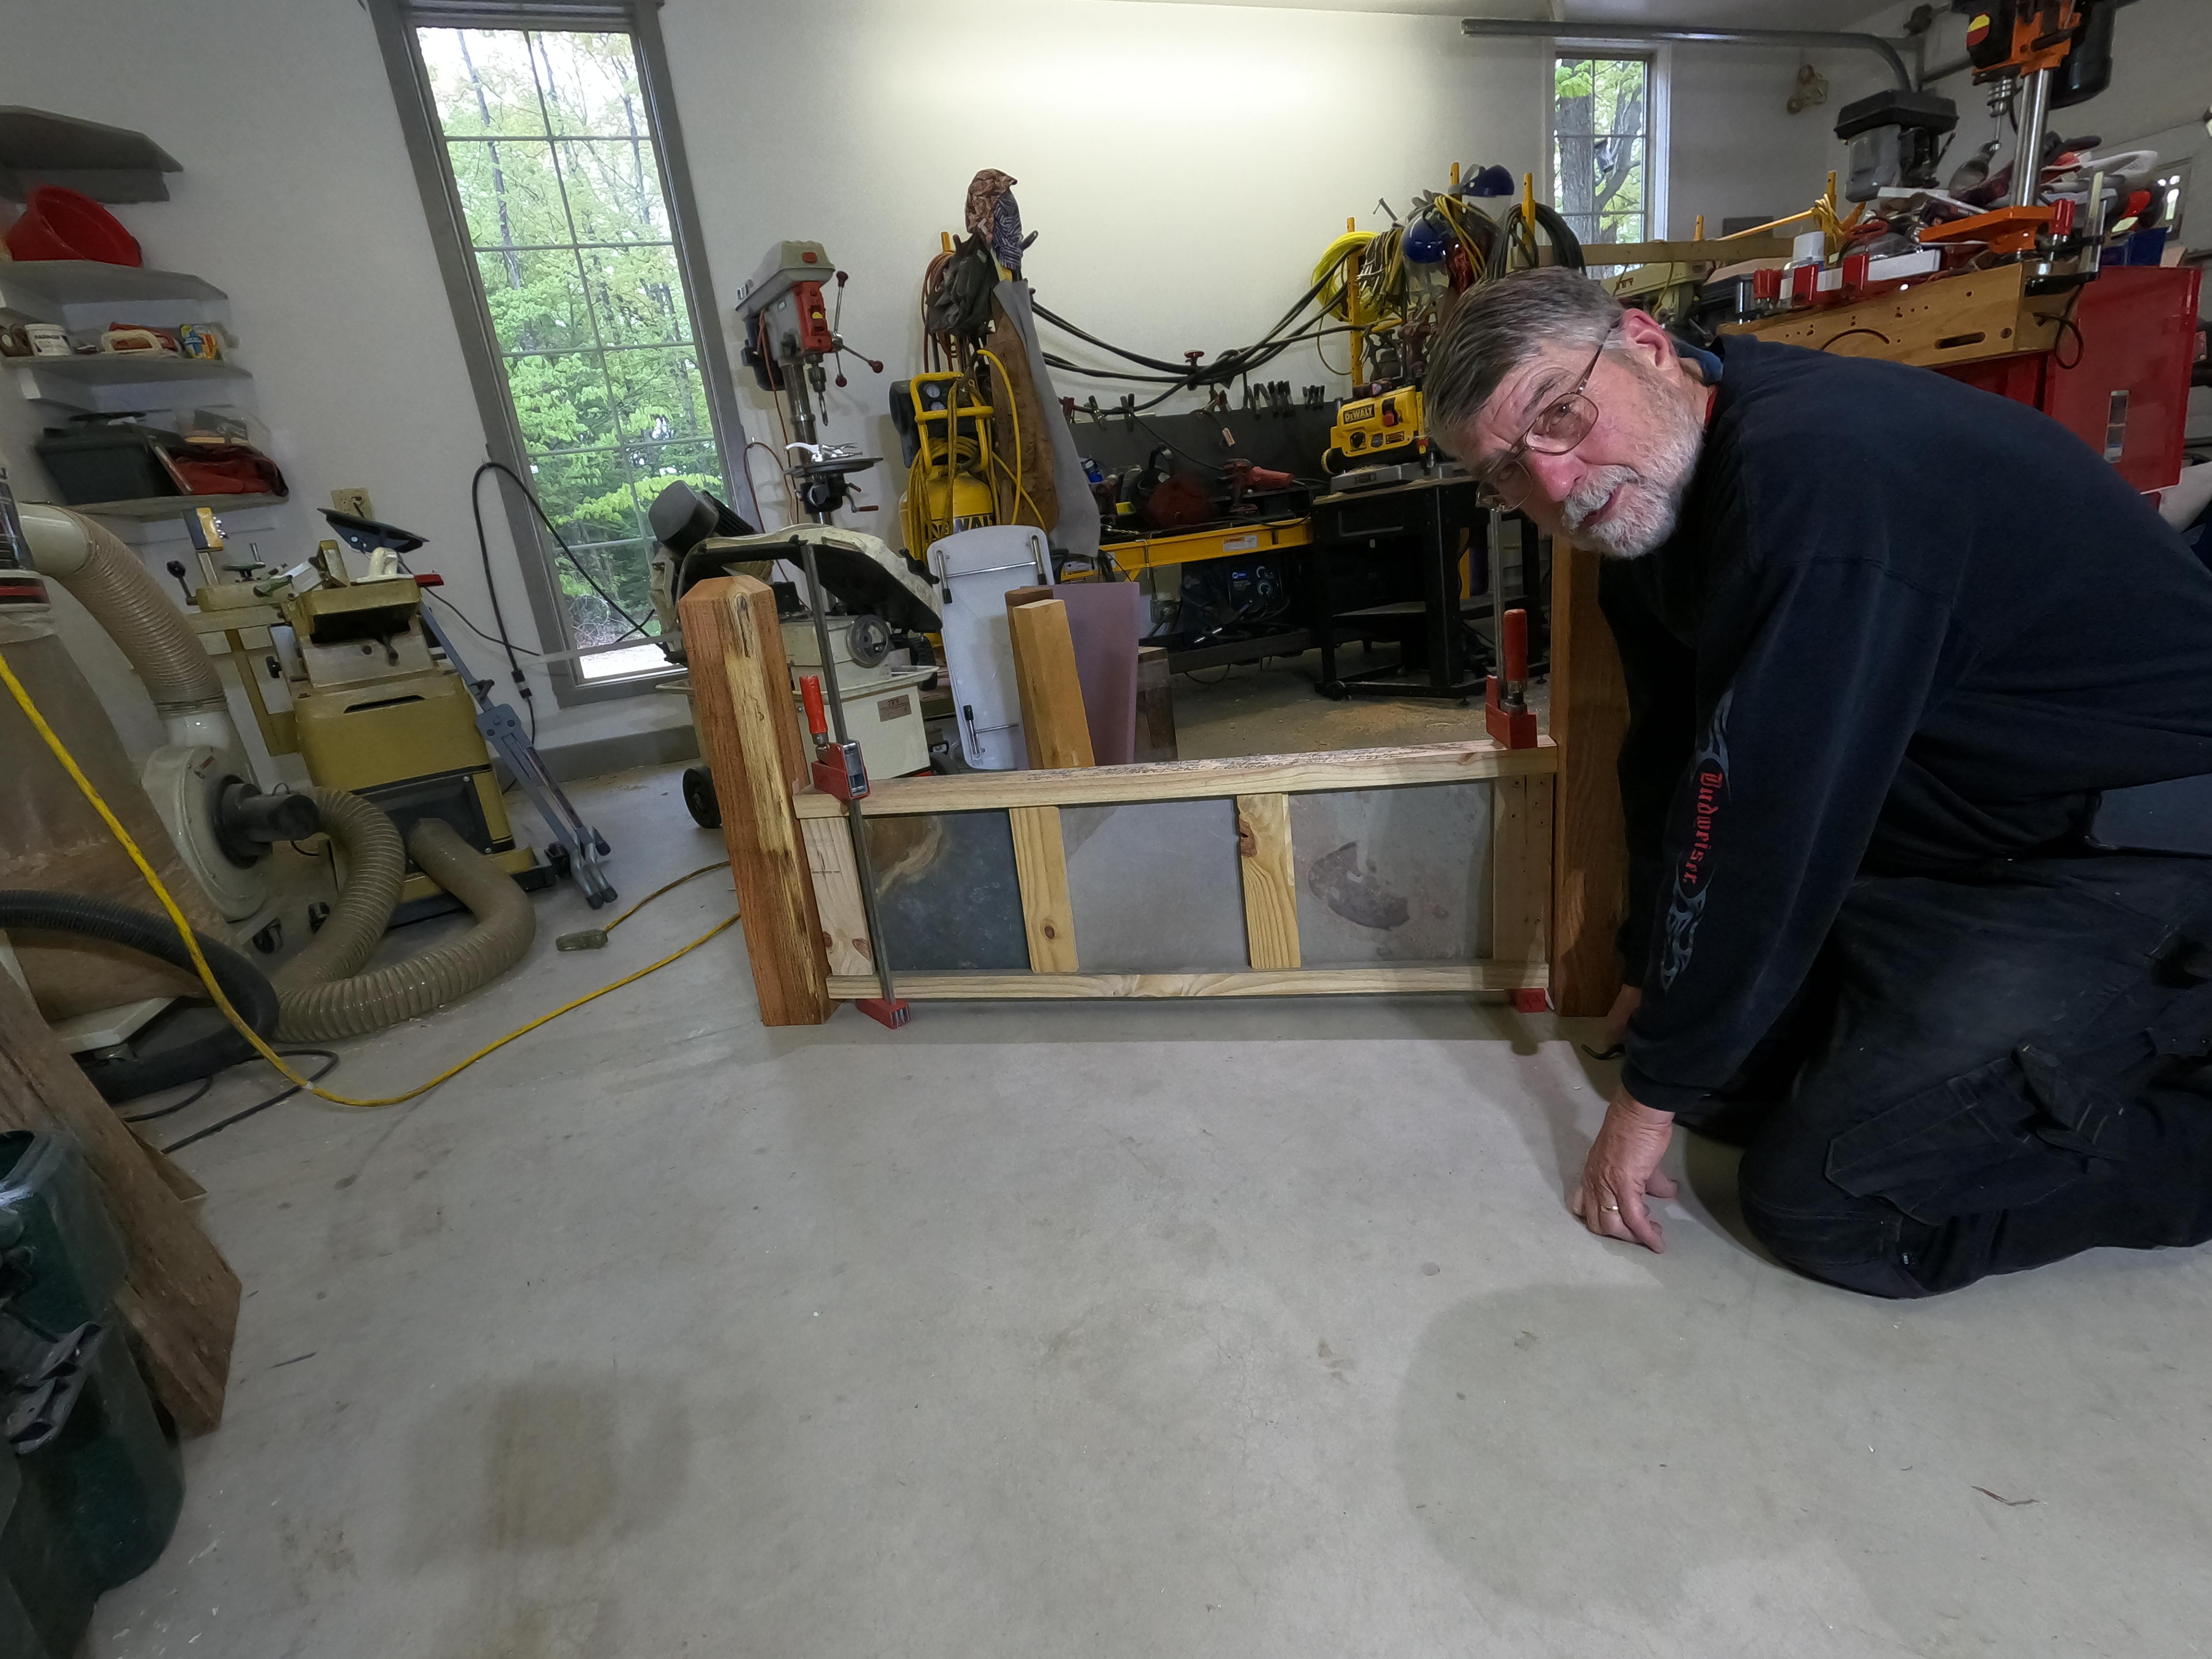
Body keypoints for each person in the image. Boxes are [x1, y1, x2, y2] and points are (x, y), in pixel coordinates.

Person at [1420, 267, 2212, 1298]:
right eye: (1507, 473)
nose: (1556, 483)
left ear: (1646, 346)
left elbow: (1769, 813)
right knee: (1728, 1082)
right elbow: (1668, 753)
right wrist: (1651, 968)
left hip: (2132, 851)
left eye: (1559, 415)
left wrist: (1649, 1096)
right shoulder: (1654, 504)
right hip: (1966, 835)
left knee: (1832, 1203)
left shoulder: (1822, 479)